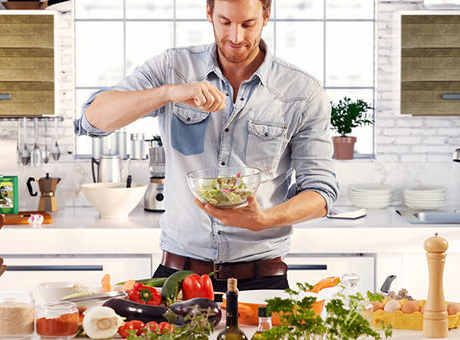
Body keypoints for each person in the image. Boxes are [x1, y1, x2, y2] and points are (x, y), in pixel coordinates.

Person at [75, 0, 339, 292]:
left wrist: (263, 220)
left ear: (266, 16)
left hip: (263, 277)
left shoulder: (301, 92)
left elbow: (321, 193)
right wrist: (169, 93)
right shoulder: (173, 68)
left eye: (247, 24)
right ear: (209, 13)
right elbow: (92, 119)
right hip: (177, 276)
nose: (236, 37)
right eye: (225, 22)